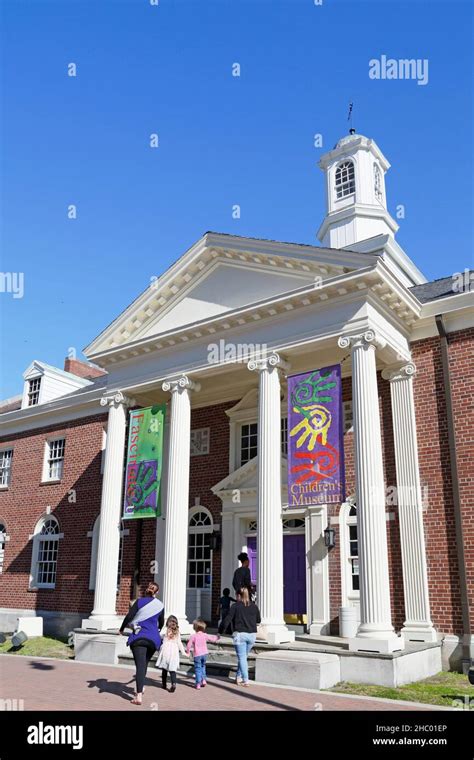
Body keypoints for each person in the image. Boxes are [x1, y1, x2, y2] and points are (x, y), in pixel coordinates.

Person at [119, 581, 164, 705]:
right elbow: (161, 622)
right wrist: (156, 630)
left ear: (147, 590)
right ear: (157, 592)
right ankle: (141, 686)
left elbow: (129, 617)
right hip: (154, 640)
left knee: (140, 666)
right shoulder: (160, 605)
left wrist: (122, 629)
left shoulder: (139, 602)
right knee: (144, 664)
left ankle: (139, 696)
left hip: (139, 638)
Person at [223, 586, 261, 687]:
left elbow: (228, 619)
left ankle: (245, 680)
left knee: (242, 658)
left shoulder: (235, 606)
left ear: (239, 595)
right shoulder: (254, 606)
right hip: (252, 635)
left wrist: (220, 631)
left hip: (240, 634)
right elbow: (258, 620)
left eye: (236, 595)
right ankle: (238, 677)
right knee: (243, 657)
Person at [185, 618, 220, 689]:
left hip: (197, 655)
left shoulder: (193, 636)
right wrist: (217, 637)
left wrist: (187, 652)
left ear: (195, 628)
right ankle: (203, 680)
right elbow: (212, 639)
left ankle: (198, 683)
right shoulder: (205, 635)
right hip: (204, 654)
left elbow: (189, 645)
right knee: (203, 666)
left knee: (198, 669)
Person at [155, 615, 186, 693]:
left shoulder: (165, 629)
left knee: (164, 669)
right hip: (174, 652)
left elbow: (159, 635)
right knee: (172, 670)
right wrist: (183, 652)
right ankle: (174, 684)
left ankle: (164, 684)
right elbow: (179, 643)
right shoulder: (177, 632)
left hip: (165, 651)